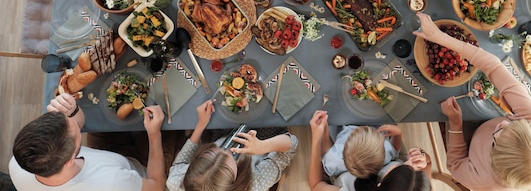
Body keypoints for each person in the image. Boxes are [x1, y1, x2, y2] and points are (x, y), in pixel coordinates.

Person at [413, 13, 531, 191]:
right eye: (512, 124)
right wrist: (440, 37)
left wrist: (455, 124)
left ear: (494, 160)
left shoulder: (484, 181)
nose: (503, 122)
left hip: (468, 142)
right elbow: (494, 66)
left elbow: (455, 164)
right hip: (484, 126)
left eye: (498, 137)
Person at [9, 92, 166, 191]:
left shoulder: (18, 162)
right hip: (142, 172)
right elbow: (156, 186)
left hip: (111, 156)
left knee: (106, 111)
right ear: (69, 161)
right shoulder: (113, 184)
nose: (75, 122)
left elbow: (75, 123)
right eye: (78, 132)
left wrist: (72, 110)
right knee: (169, 122)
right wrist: (154, 134)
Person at [167, 99, 298, 191]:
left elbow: (180, 163)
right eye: (231, 158)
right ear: (234, 182)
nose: (228, 148)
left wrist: (200, 125)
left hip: (221, 134)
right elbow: (292, 143)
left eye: (213, 151)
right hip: (264, 140)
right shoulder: (255, 185)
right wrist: (262, 147)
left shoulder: (176, 182)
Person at [308, 110, 431, 191]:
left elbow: (316, 184)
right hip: (378, 138)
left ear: (380, 184)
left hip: (346, 155)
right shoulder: (417, 185)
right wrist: (424, 158)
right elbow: (428, 165)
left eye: (403, 167)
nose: (409, 162)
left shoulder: (341, 173)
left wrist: (316, 139)